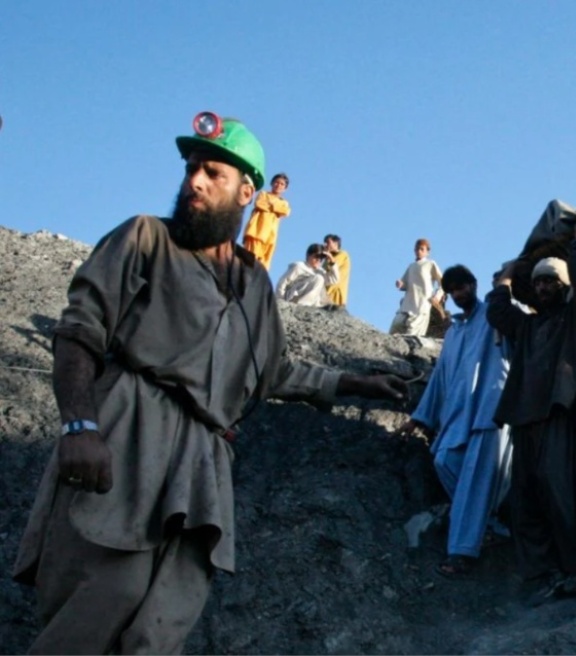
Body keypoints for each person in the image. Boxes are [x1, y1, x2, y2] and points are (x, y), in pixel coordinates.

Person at [12, 114, 408, 654]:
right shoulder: (145, 238)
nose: (194, 181)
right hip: (128, 436)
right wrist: (79, 425)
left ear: (247, 191)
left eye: (212, 173)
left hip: (202, 468)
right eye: (191, 169)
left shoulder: (254, 285)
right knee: (99, 606)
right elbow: (80, 330)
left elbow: (276, 373)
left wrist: (358, 383)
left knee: (161, 629)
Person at [486, 244, 576, 604]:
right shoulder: (529, 324)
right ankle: (541, 572)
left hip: (558, 415)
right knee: (526, 496)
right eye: (538, 284)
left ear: (563, 285)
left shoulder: (574, 319)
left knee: (559, 489)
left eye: (550, 281)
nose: (543, 288)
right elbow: (499, 312)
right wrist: (505, 278)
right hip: (525, 417)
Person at [403, 265, 512, 578]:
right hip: (458, 414)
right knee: (444, 460)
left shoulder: (493, 315)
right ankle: (490, 526)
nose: (459, 295)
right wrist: (419, 418)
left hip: (489, 409)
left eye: (462, 288)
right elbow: (438, 378)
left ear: (473, 285)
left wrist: (504, 281)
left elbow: (508, 323)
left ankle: (461, 551)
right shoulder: (454, 332)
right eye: (453, 292)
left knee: (475, 479)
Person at [390, 238, 444, 336]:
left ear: (427, 251)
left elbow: (443, 283)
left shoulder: (430, 264)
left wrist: (437, 296)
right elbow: (405, 283)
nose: (419, 251)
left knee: (412, 334)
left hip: (422, 305)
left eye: (422, 249)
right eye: (417, 249)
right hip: (408, 304)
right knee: (396, 326)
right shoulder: (411, 266)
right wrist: (400, 284)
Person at [241, 172, 290, 269]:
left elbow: (286, 211)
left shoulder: (284, 202)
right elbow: (259, 203)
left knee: (263, 263)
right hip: (256, 232)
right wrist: (275, 208)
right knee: (249, 258)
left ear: (285, 188)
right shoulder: (263, 194)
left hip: (270, 235)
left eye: (282, 184)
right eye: (276, 182)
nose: (278, 185)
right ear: (271, 183)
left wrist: (272, 205)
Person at [275, 243, 338, 307]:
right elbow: (282, 282)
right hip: (293, 298)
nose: (318, 260)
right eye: (316, 257)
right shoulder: (299, 266)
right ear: (308, 256)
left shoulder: (320, 271)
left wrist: (332, 261)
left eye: (321, 258)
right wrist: (280, 302)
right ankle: (303, 306)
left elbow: (334, 280)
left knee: (321, 285)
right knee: (319, 278)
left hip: (312, 302)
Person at [324, 234, 352, 307]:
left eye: (328, 242)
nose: (326, 245)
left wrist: (328, 256)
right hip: (328, 290)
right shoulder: (328, 257)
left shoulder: (342, 254)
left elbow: (334, 264)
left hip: (336, 292)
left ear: (336, 243)